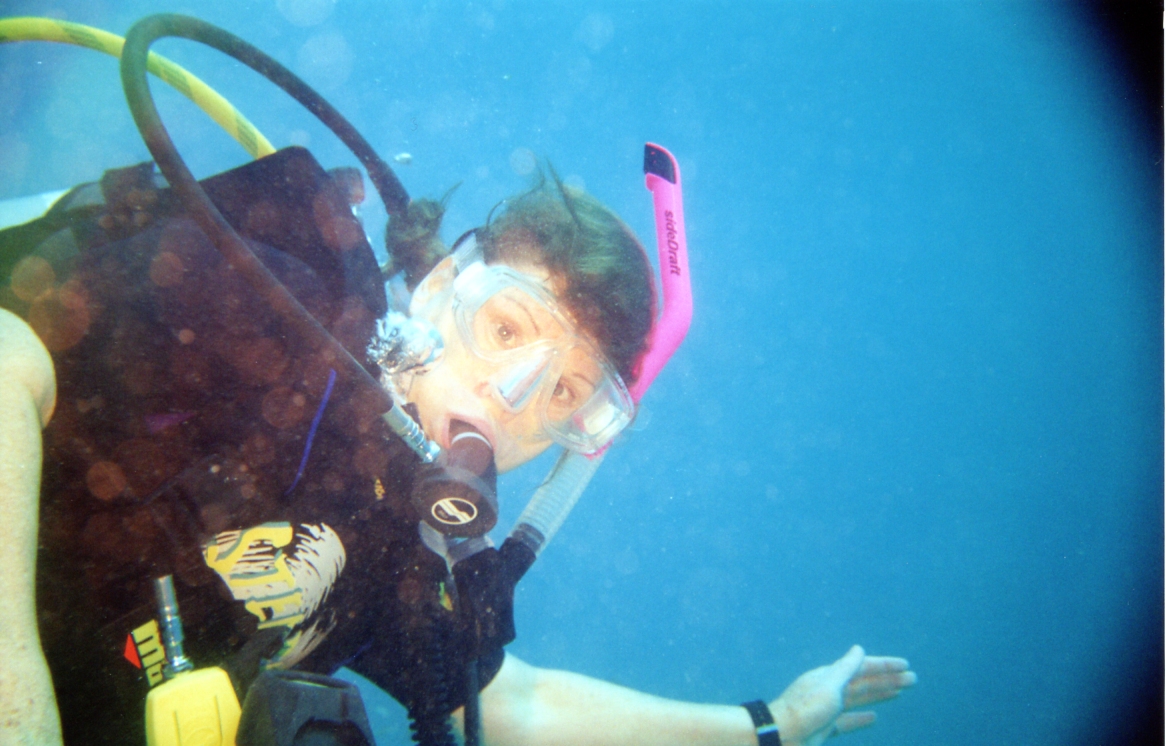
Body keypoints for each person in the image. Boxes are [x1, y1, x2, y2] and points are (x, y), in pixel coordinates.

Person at [0, 153, 915, 746]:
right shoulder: (273, 307)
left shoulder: (416, 559)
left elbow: (515, 704)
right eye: (504, 329)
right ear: (442, 286)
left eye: (565, 395)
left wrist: (774, 723)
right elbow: (10, 356)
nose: (508, 401)